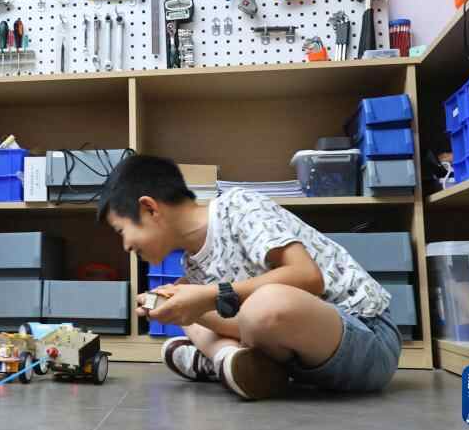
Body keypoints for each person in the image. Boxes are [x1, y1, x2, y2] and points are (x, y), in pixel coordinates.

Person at [98, 155, 401, 400]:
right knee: (183, 300)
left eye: (122, 231)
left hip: (366, 337)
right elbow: (249, 325)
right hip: (302, 360)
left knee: (263, 302)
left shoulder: (238, 206)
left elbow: (308, 277)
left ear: (149, 208)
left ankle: (216, 361)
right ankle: (229, 360)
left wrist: (209, 296)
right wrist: (187, 308)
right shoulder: (192, 266)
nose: (125, 246)